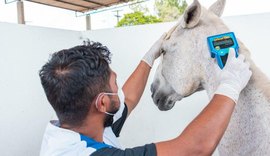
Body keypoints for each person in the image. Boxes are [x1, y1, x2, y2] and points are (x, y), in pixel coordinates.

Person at [39, 34, 252, 156]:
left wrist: (149, 58)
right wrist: (230, 86)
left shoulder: (80, 123)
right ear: (102, 103)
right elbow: (194, 149)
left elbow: (128, 99)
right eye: (114, 83)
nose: (119, 87)